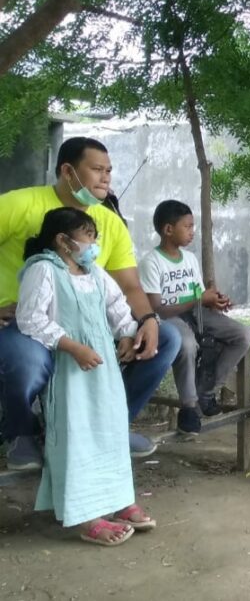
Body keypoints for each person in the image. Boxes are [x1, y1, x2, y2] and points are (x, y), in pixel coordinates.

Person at [0, 137, 180, 469]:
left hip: (88, 322)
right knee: (24, 358)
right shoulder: (18, 204)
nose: (106, 178)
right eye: (97, 169)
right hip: (26, 323)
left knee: (166, 338)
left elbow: (127, 286)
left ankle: (109, 425)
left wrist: (148, 321)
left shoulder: (109, 222)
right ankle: (20, 433)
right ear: (68, 171)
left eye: (109, 170)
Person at [17, 208, 156, 545]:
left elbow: (119, 308)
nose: (94, 244)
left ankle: (118, 499)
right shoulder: (44, 271)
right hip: (69, 372)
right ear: (64, 241)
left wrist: (126, 334)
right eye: (88, 235)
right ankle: (85, 516)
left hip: (102, 371)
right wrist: (73, 348)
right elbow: (30, 319)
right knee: (77, 436)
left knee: (109, 431)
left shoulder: (95, 272)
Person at [138, 200, 250, 435]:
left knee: (243, 334)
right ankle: (189, 407)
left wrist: (215, 300)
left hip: (196, 313)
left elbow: (198, 295)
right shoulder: (151, 262)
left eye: (193, 226)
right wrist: (200, 300)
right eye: (188, 226)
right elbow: (155, 308)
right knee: (187, 344)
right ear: (168, 229)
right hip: (166, 319)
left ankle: (207, 390)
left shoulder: (189, 259)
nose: (192, 232)